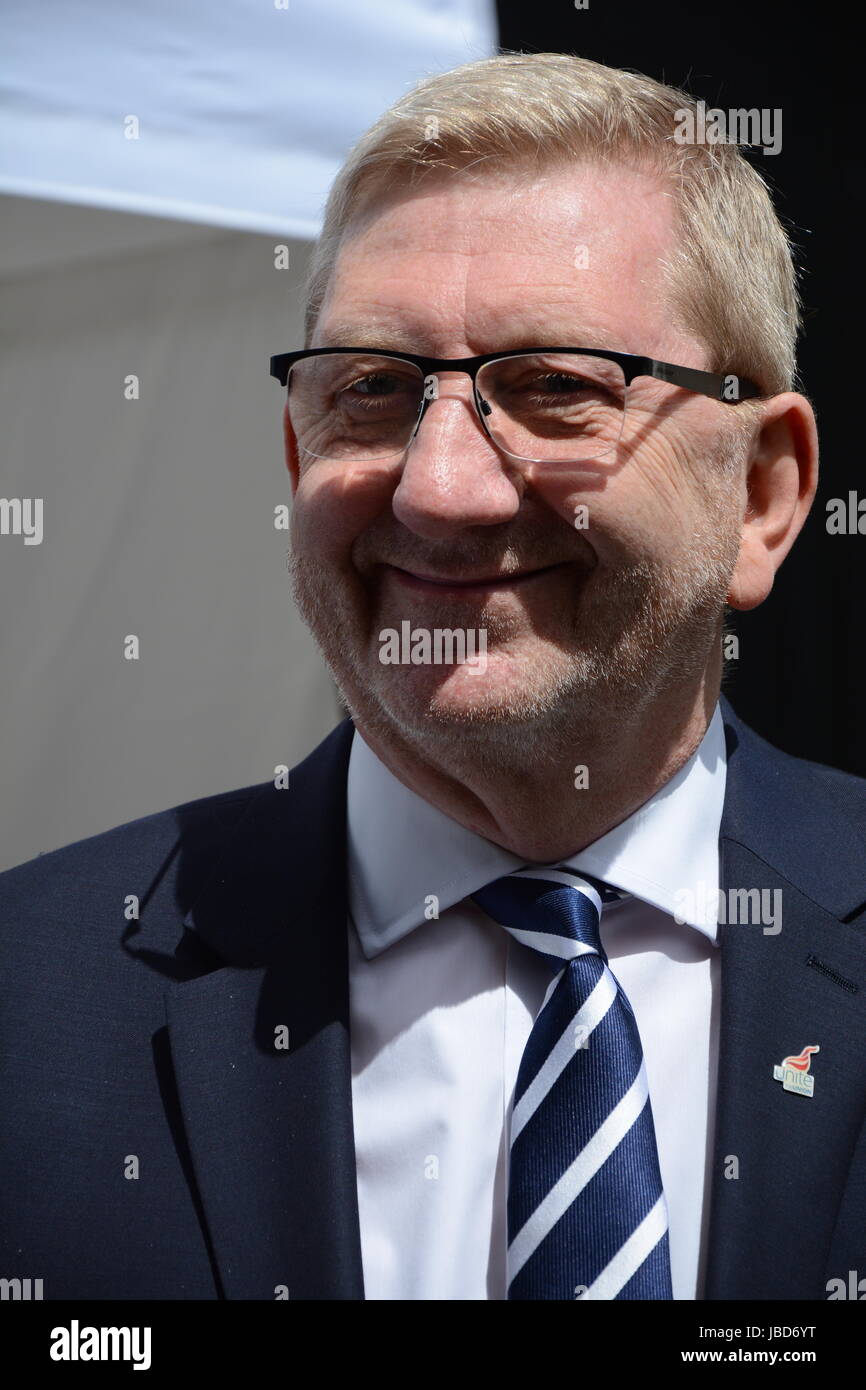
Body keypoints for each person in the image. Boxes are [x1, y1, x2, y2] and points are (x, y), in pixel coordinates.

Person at [1, 51, 864, 1303]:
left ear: (762, 495)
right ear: (296, 450)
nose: (436, 488)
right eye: (371, 392)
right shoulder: (33, 1007)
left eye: (554, 387)